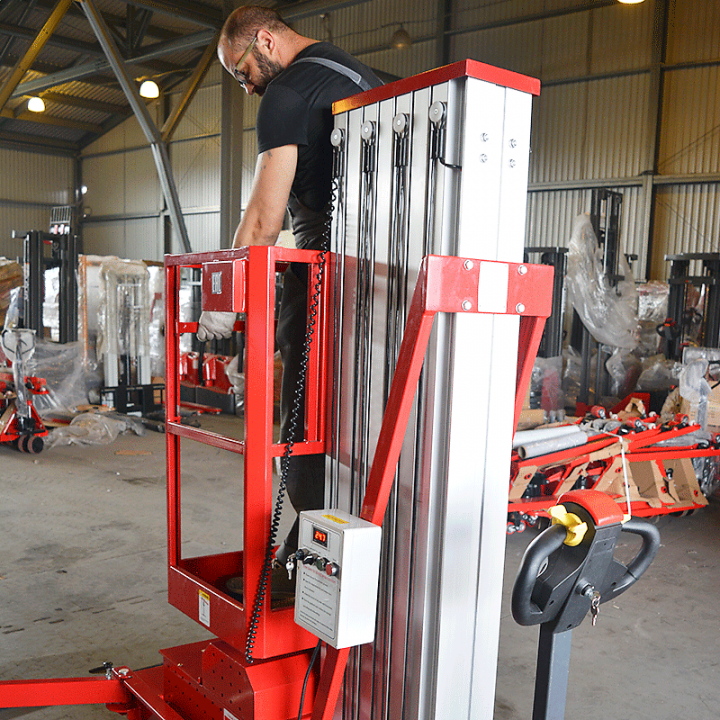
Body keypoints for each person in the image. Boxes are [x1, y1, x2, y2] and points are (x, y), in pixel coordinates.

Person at [198, 6, 381, 583]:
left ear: (266, 41)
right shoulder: (359, 76)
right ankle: (318, 551)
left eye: (243, 71)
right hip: (384, 277)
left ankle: (303, 565)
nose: (248, 87)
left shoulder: (288, 92)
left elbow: (262, 222)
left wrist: (218, 310)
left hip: (324, 274)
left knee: (304, 413)